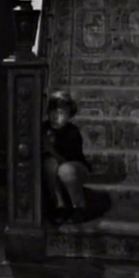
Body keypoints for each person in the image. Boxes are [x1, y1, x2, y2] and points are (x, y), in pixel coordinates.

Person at [42, 90, 91, 225]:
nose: (56, 116)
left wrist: (50, 148)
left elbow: (68, 160)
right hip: (52, 169)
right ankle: (59, 206)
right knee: (49, 163)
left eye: (61, 113)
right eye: (53, 112)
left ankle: (78, 207)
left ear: (69, 115)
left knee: (65, 170)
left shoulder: (72, 132)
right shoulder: (44, 128)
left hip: (75, 169)